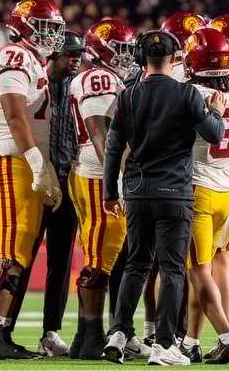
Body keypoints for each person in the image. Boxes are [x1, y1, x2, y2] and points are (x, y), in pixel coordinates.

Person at [101, 30, 226, 366]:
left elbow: (113, 148)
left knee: (136, 265)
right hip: (174, 192)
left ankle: (119, 332)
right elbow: (214, 135)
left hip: (137, 192)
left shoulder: (127, 96)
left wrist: (109, 192)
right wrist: (217, 112)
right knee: (172, 270)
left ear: (142, 59)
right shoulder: (187, 92)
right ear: (175, 58)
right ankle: (164, 344)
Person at [0, 0, 65, 360]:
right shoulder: (15, 55)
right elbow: (14, 115)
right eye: (44, 27)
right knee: (12, 250)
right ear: (24, 26)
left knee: (21, 247)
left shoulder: (31, 60)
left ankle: (1, 332)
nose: (50, 35)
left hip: (22, 162)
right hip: (14, 163)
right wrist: (36, 160)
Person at [177, 28, 229, 364]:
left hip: (197, 189)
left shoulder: (186, 94)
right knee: (220, 267)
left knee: (197, 271)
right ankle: (193, 339)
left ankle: (228, 340)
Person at [67, 19, 149, 360]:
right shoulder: (97, 78)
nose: (128, 56)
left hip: (98, 173)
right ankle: (89, 336)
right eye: (122, 48)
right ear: (102, 49)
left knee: (114, 255)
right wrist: (116, 180)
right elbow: (101, 132)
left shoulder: (111, 78)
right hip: (98, 174)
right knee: (100, 257)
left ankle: (115, 331)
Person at [18, 29, 83, 358]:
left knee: (61, 260)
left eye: (78, 55)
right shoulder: (31, 82)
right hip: (34, 180)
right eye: (70, 55)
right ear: (53, 54)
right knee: (21, 257)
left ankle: (50, 333)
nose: (76, 60)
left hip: (67, 181)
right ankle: (4, 328)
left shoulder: (78, 87)